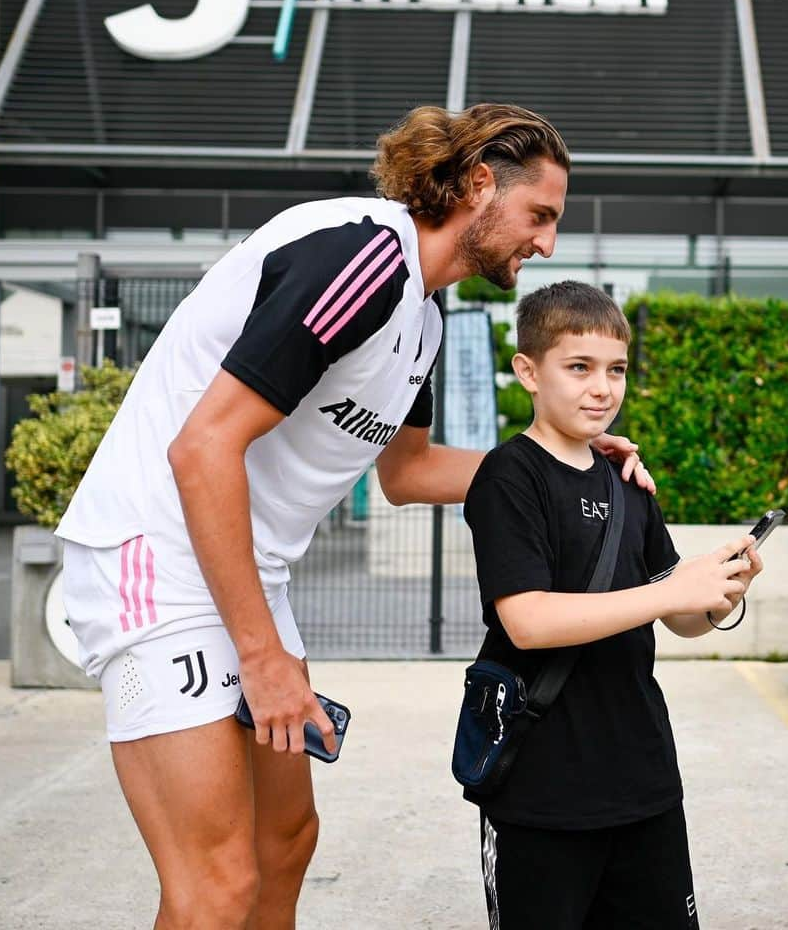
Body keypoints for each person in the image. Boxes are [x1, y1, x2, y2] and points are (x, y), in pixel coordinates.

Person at [54, 103, 654, 930]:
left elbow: (407, 475)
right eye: (540, 214)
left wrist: (569, 459)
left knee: (287, 840)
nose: (546, 243)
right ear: (480, 184)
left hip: (243, 573)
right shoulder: (367, 256)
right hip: (154, 558)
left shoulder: (425, 318)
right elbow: (202, 448)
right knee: (217, 883)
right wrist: (262, 658)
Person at [461, 280, 765, 930]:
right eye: (579, 367)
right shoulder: (509, 476)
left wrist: (716, 593)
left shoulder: (628, 479)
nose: (602, 388)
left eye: (617, 370)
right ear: (528, 371)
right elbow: (529, 620)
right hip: (541, 791)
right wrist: (668, 592)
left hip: (644, 781)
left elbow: (677, 616)